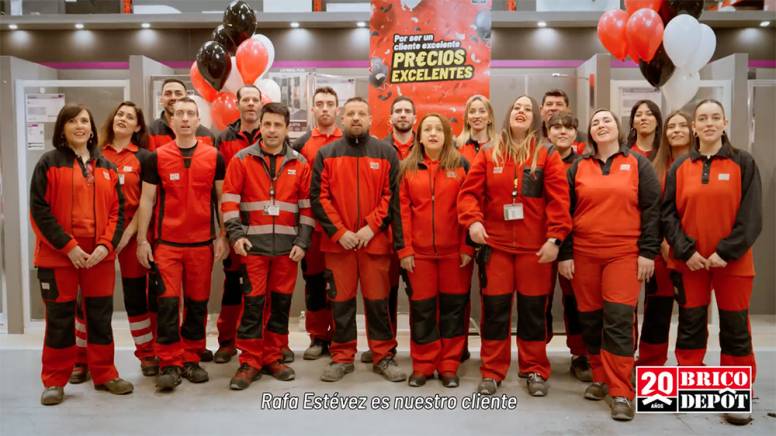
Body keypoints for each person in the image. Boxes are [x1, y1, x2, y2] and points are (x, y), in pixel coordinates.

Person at [458, 95, 571, 397]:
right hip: (496, 248)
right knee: (495, 312)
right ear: (508, 114)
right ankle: (492, 370)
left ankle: (534, 368)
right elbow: (468, 195)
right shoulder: (488, 153)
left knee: (533, 312)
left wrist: (555, 239)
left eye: (527, 109)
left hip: (536, 251)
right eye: (517, 107)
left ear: (535, 118)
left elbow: (559, 202)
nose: (521, 112)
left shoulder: (547, 154)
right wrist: (473, 222)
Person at [662, 99, 762, 426]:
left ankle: (737, 391)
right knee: (690, 324)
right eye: (702, 118)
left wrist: (725, 252)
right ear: (694, 127)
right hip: (690, 263)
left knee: (735, 327)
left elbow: (751, 217)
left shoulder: (743, 162)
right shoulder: (680, 166)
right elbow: (668, 214)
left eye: (715, 118)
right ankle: (691, 384)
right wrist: (686, 251)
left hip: (733, 264)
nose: (708, 123)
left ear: (724, 123)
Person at [558, 108, 661, 421]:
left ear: (618, 127)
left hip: (624, 254)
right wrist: (565, 254)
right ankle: (600, 376)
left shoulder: (638, 164)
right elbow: (564, 213)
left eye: (607, 120)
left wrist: (648, 252)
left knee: (617, 319)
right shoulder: (579, 166)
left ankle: (621, 391)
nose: (601, 125)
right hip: (584, 254)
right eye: (595, 122)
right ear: (589, 132)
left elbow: (652, 210)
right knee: (590, 319)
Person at [31, 104, 133, 405]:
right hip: (58, 257)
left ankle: (104, 373)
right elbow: (39, 212)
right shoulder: (48, 163)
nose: (79, 126)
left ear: (91, 129)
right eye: (72, 121)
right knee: (60, 319)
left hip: (99, 257)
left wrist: (105, 246)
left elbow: (118, 212)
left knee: (100, 317)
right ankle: (54, 380)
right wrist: (69, 247)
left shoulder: (107, 167)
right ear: (62, 128)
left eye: (85, 121)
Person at [135, 97, 229, 391]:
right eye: (180, 114)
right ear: (171, 120)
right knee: (167, 304)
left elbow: (222, 200)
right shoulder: (156, 158)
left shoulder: (214, 157)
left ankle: (191, 358)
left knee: (198, 304)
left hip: (202, 244)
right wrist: (141, 240)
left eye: (190, 113)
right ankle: (169, 362)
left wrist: (223, 236)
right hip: (167, 245)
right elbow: (147, 201)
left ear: (198, 119)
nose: (185, 118)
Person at [311, 97, 406, 383]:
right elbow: (319, 198)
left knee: (378, 303)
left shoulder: (386, 153)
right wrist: (340, 232)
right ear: (342, 119)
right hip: (338, 246)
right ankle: (342, 356)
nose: (355, 118)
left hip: (373, 243)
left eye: (361, 113)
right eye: (350, 113)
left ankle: (383, 355)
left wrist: (370, 228)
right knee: (340, 303)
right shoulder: (326, 154)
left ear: (370, 119)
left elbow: (392, 196)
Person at [222, 102, 314, 390]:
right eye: (267, 124)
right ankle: (250, 361)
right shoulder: (241, 160)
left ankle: (273, 356)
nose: (272, 130)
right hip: (253, 249)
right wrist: (236, 236)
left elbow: (307, 208)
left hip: (288, 251)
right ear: (260, 126)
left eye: (277, 125)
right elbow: (229, 202)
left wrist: (302, 242)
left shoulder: (300, 163)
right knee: (253, 305)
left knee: (280, 306)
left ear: (287, 129)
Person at [398, 113, 473, 388]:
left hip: (455, 255)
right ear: (419, 136)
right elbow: (402, 213)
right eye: (427, 129)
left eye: (438, 129)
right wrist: (405, 250)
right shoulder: (406, 168)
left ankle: (449, 365)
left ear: (446, 136)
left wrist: (467, 246)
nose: (432, 134)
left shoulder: (461, 165)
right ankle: (423, 365)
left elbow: (469, 208)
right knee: (423, 311)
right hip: (419, 256)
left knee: (454, 311)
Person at [98, 101, 158, 376]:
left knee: (135, 299)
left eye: (130, 117)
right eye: (119, 114)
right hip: (100, 237)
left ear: (137, 127)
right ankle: (82, 359)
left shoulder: (145, 157)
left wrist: (127, 235)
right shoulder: (96, 154)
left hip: (132, 237)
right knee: (93, 301)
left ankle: (147, 355)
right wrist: (108, 237)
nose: (122, 118)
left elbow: (146, 202)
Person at [212, 85, 267, 364]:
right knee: (233, 284)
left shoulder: (271, 134)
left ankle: (264, 342)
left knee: (261, 288)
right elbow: (218, 189)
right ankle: (227, 341)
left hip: (264, 225)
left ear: (261, 103)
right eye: (246, 99)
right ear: (238, 104)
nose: (251, 104)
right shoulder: (224, 139)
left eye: (255, 99)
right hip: (233, 224)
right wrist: (223, 232)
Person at [636, 111, 692, 367]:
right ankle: (650, 362)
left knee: (692, 312)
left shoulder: (700, 163)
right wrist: (661, 242)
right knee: (657, 309)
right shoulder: (654, 165)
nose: (676, 130)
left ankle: (690, 366)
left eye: (682, 126)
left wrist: (682, 244)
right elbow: (651, 209)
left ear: (692, 130)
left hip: (693, 250)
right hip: (661, 250)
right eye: (671, 126)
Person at [292, 86, 343, 361]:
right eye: (320, 103)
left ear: (337, 109)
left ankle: (339, 337)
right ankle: (317, 336)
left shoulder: (348, 141)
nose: (325, 108)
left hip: (340, 230)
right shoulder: (301, 145)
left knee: (339, 285)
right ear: (312, 108)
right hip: (312, 229)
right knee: (313, 284)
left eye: (329, 103)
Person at [544, 112, 591, 382]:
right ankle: (536, 354)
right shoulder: (538, 160)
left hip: (573, 244)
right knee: (539, 301)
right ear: (547, 131)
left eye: (568, 127)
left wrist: (566, 247)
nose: (562, 132)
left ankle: (579, 354)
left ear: (576, 133)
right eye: (557, 127)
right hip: (541, 243)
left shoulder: (584, 164)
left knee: (574, 301)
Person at [148, 79, 215, 151]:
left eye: (178, 94)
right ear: (161, 100)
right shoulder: (150, 132)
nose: (173, 97)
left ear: (187, 98)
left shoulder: (206, 135)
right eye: (168, 94)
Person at [539, 89, 585, 154]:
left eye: (559, 104)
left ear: (568, 110)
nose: (553, 108)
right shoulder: (532, 136)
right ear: (541, 109)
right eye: (549, 104)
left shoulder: (583, 140)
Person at [456, 94, 496, 163]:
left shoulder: (499, 146)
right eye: (472, 112)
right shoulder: (456, 146)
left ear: (490, 118)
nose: (477, 116)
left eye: (482, 111)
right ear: (467, 118)